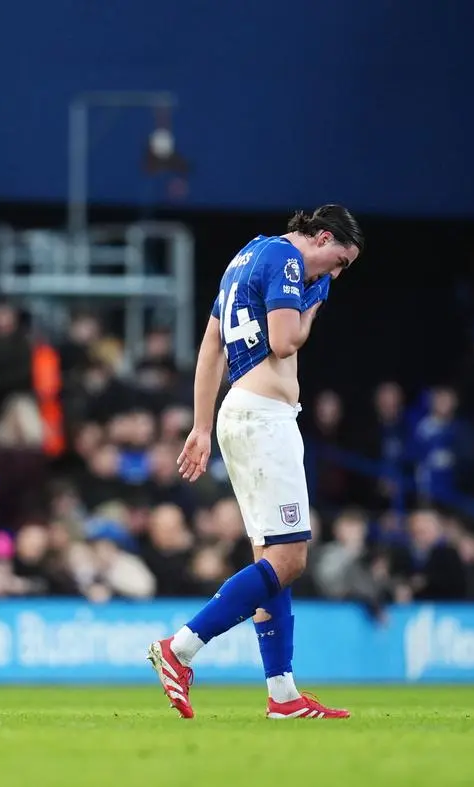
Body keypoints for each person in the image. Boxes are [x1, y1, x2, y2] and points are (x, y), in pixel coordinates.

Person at [145, 205, 362, 719]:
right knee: (290, 561)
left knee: (271, 561)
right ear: (322, 236)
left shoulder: (245, 256)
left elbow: (210, 346)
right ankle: (181, 649)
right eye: (338, 261)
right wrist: (312, 307)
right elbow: (286, 340)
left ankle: (283, 696)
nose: (334, 274)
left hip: (239, 412)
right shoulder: (287, 260)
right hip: (265, 418)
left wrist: (201, 426)